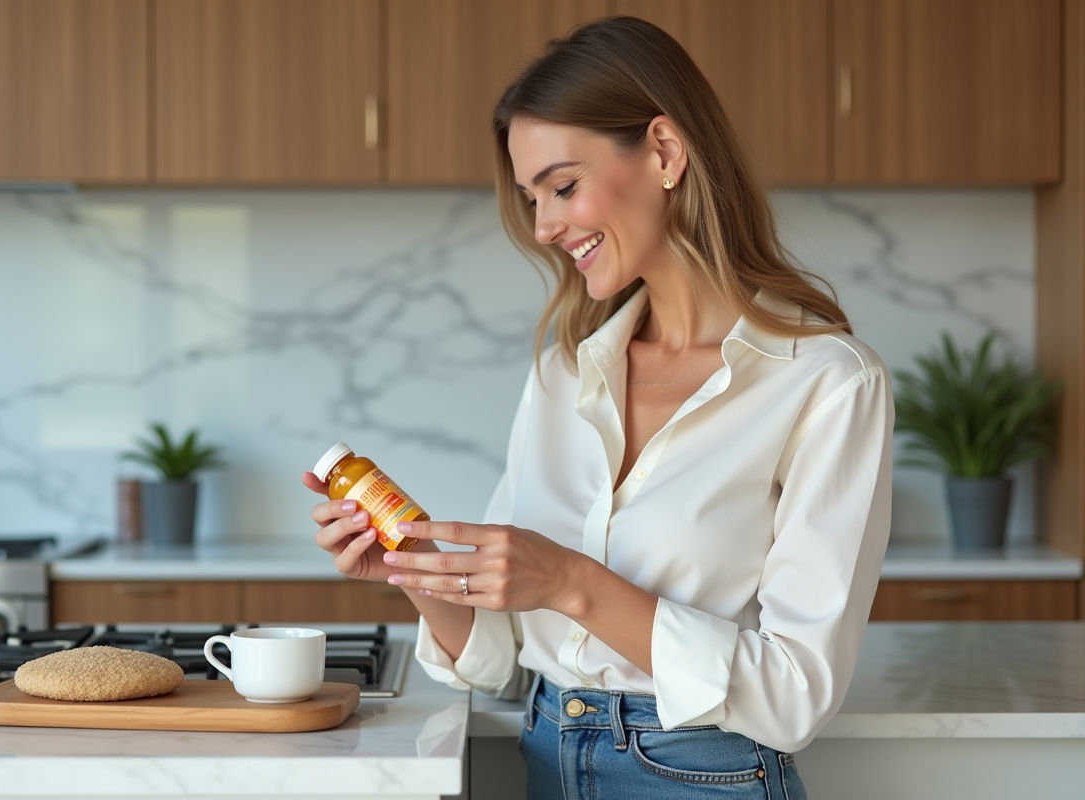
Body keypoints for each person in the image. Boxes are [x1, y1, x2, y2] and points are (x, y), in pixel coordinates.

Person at [303, 16, 892, 800]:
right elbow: (503, 664)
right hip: (546, 763)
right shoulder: (562, 374)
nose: (544, 227)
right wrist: (413, 569)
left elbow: (793, 696)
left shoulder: (826, 383)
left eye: (564, 186)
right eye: (532, 198)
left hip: (700, 775)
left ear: (665, 153)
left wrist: (572, 583)